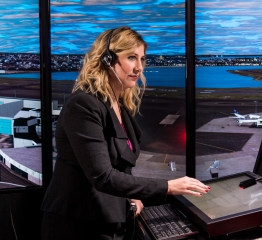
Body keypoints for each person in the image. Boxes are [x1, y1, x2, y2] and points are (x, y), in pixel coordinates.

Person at [41, 26, 210, 240]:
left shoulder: (118, 105)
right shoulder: (83, 105)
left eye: (142, 59)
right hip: (78, 224)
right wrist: (167, 186)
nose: (139, 67)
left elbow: (120, 169)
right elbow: (103, 176)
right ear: (106, 60)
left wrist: (128, 198)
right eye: (131, 57)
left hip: (109, 220)